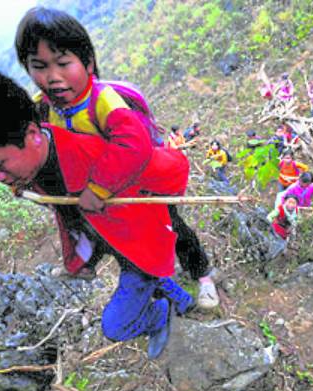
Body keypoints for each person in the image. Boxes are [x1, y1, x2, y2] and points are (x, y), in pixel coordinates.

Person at [0, 70, 197, 359]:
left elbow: (165, 167)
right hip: (114, 241)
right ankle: (183, 300)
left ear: (32, 135)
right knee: (141, 267)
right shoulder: (35, 165)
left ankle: (159, 315)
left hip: (138, 243)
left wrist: (161, 208)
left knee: (115, 326)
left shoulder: (94, 156)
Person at [14, 7, 219, 309]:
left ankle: (202, 275)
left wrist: (98, 188)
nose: (53, 77)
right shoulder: (44, 108)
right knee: (110, 235)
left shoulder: (104, 102)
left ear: (88, 61)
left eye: (63, 63)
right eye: (39, 66)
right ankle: (121, 275)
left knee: (170, 226)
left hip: (138, 185)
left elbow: (133, 145)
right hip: (98, 196)